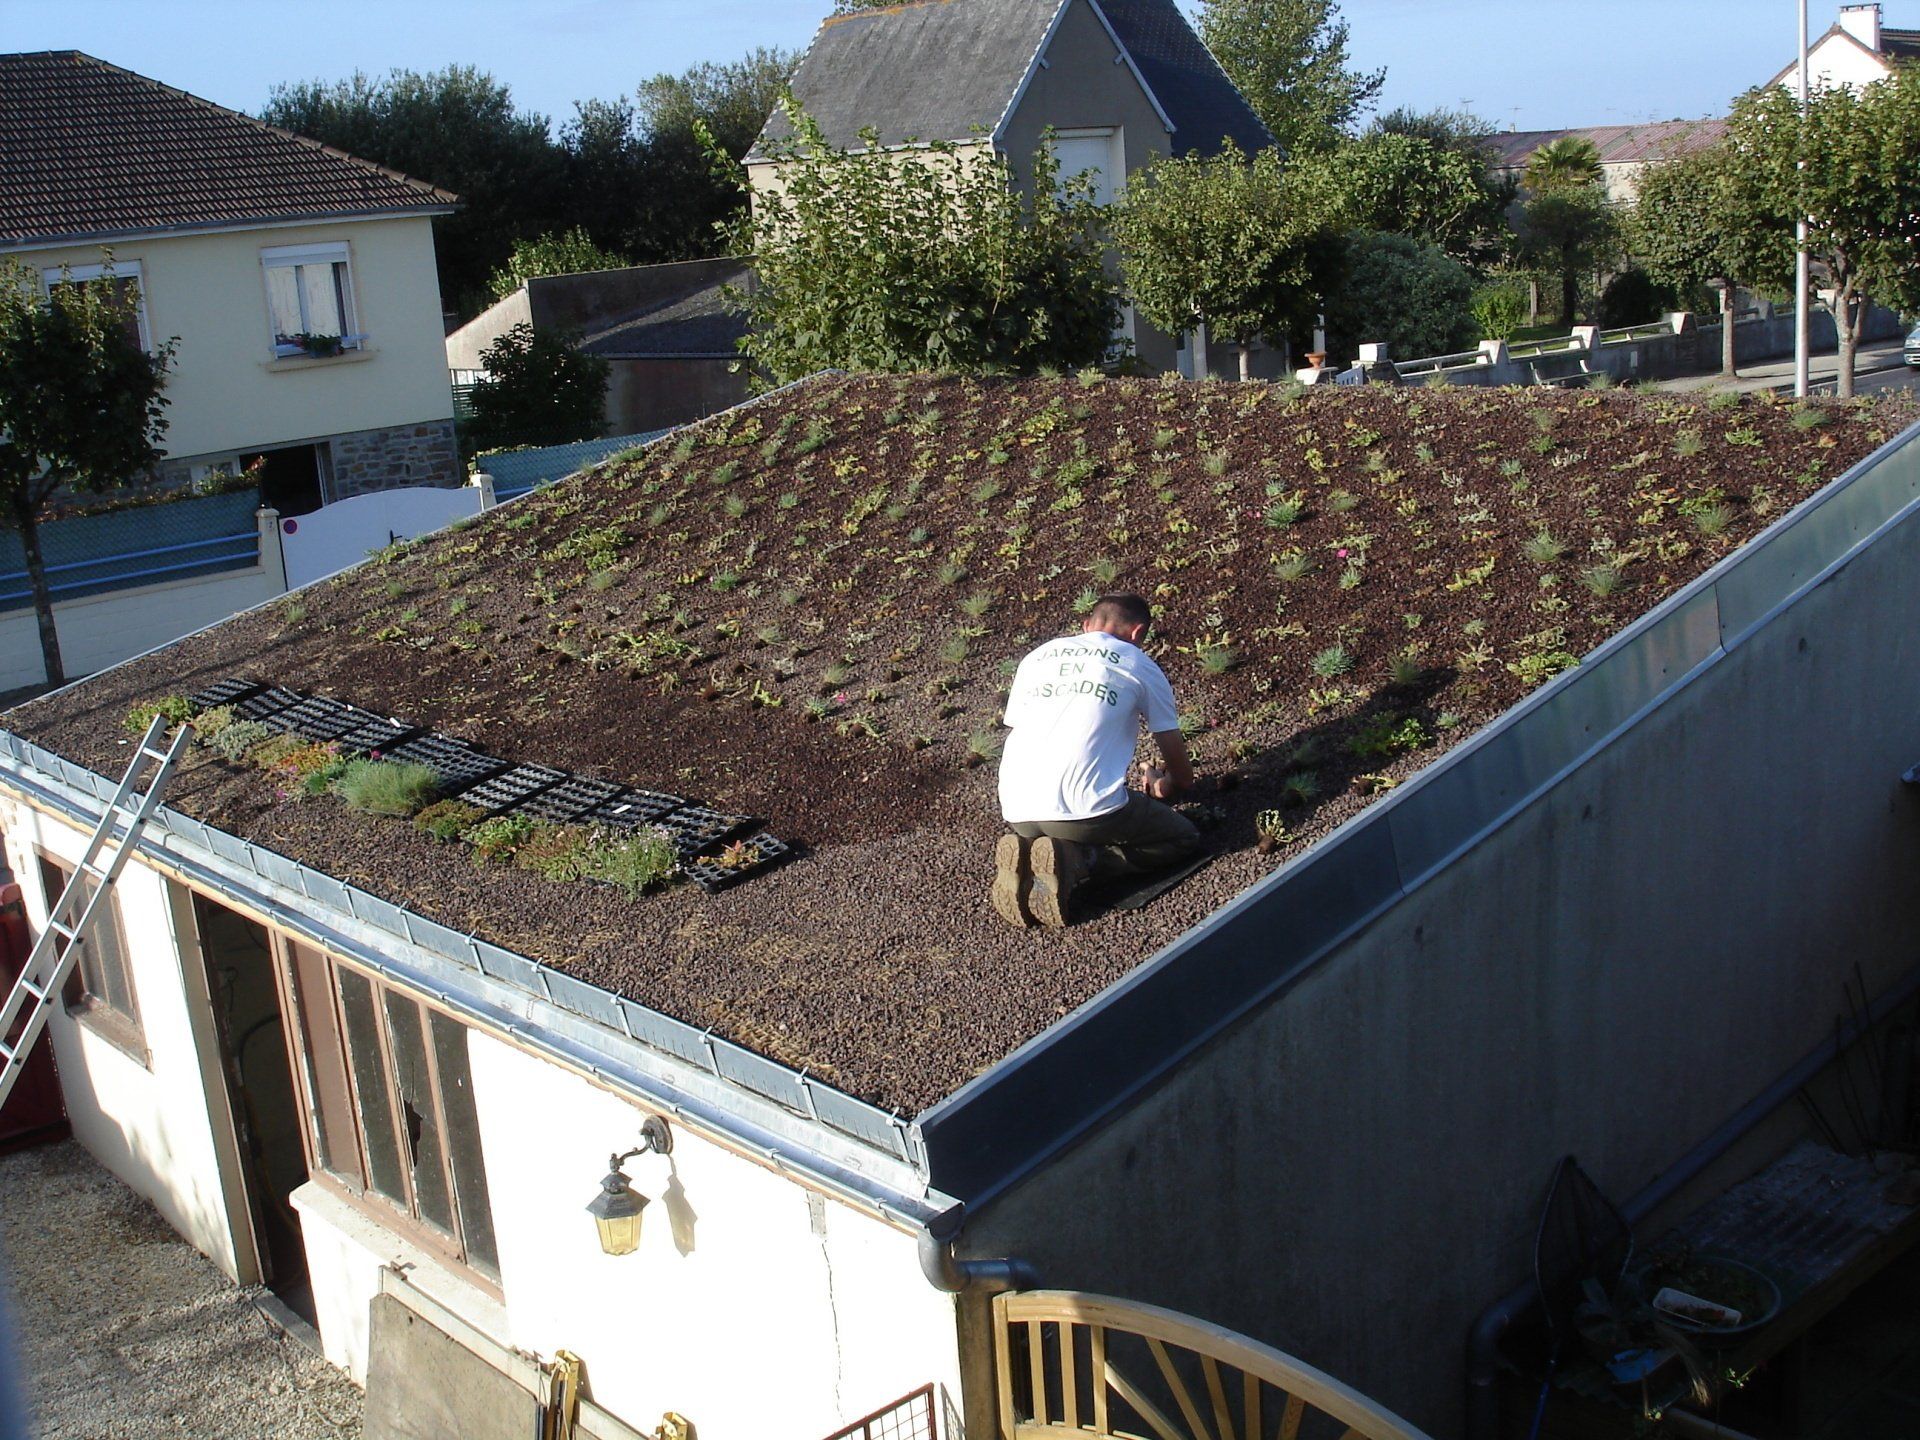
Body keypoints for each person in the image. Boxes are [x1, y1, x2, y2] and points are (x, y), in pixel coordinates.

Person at [993, 593, 1201, 928]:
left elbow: (1019, 725)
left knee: (1055, 817)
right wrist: (1169, 783)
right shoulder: (1139, 664)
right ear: (1136, 634)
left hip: (1016, 808)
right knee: (1182, 838)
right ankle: (1080, 859)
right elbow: (1182, 770)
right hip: (1086, 811)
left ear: (1086, 626)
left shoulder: (1036, 657)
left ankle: (1034, 859)